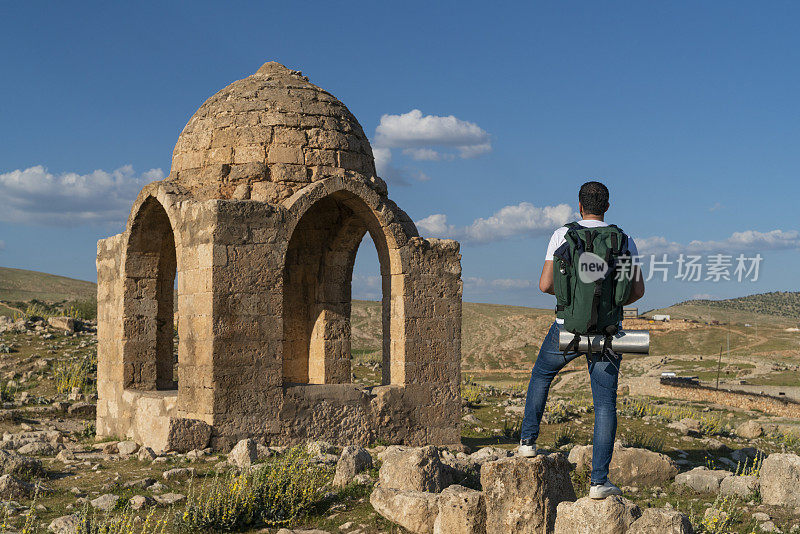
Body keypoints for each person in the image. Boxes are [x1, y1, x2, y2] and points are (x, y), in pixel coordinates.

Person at [518, 181, 645, 500]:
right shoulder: (624, 239)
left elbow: (545, 284)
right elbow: (638, 291)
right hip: (607, 333)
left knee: (541, 377)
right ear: (607, 207)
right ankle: (599, 482)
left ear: (579, 206)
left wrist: (572, 301)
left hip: (566, 328)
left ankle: (527, 444)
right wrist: (610, 306)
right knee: (604, 404)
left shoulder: (562, 235)